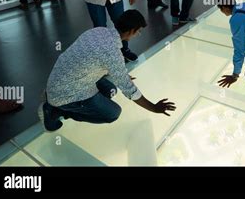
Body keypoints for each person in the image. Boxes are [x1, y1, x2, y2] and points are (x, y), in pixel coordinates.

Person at [39, 10, 176, 131]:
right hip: (64, 95)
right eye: (138, 31)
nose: (138, 34)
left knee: (111, 91)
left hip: (57, 82)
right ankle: (55, 111)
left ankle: (57, 101)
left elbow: (94, 59)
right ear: (131, 31)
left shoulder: (98, 31)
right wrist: (154, 108)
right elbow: (130, 90)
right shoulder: (112, 53)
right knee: (113, 113)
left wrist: (120, 73)